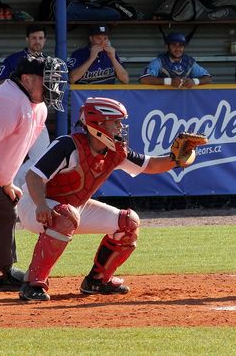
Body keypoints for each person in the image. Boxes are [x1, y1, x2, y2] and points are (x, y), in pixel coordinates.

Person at [16, 97, 207, 302]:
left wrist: (174, 159)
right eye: (115, 122)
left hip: (72, 207)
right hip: (35, 203)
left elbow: (150, 165)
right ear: (97, 123)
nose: (120, 127)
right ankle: (33, 283)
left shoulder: (115, 150)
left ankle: (97, 281)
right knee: (65, 216)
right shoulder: (68, 145)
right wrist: (42, 205)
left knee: (128, 222)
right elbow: (34, 177)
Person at [0, 55, 67, 292]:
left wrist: (5, 182)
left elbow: (17, 150)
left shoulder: (38, 107)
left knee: (4, 209)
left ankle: (1, 271)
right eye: (46, 80)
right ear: (26, 79)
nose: (52, 87)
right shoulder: (8, 101)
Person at [0, 25, 52, 186]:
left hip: (36, 112)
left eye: (40, 38)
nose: (37, 41)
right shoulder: (14, 59)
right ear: (27, 39)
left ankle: (15, 183)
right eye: (34, 38)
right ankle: (7, 182)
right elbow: (1, 83)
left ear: (45, 40)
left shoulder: (48, 62)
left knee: (42, 156)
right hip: (13, 113)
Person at [139, 32, 211, 87]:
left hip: (184, 100)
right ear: (167, 47)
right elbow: (144, 79)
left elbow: (208, 78)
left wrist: (194, 81)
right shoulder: (160, 61)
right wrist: (170, 81)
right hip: (163, 101)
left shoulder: (189, 61)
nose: (178, 49)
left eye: (181, 45)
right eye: (174, 45)